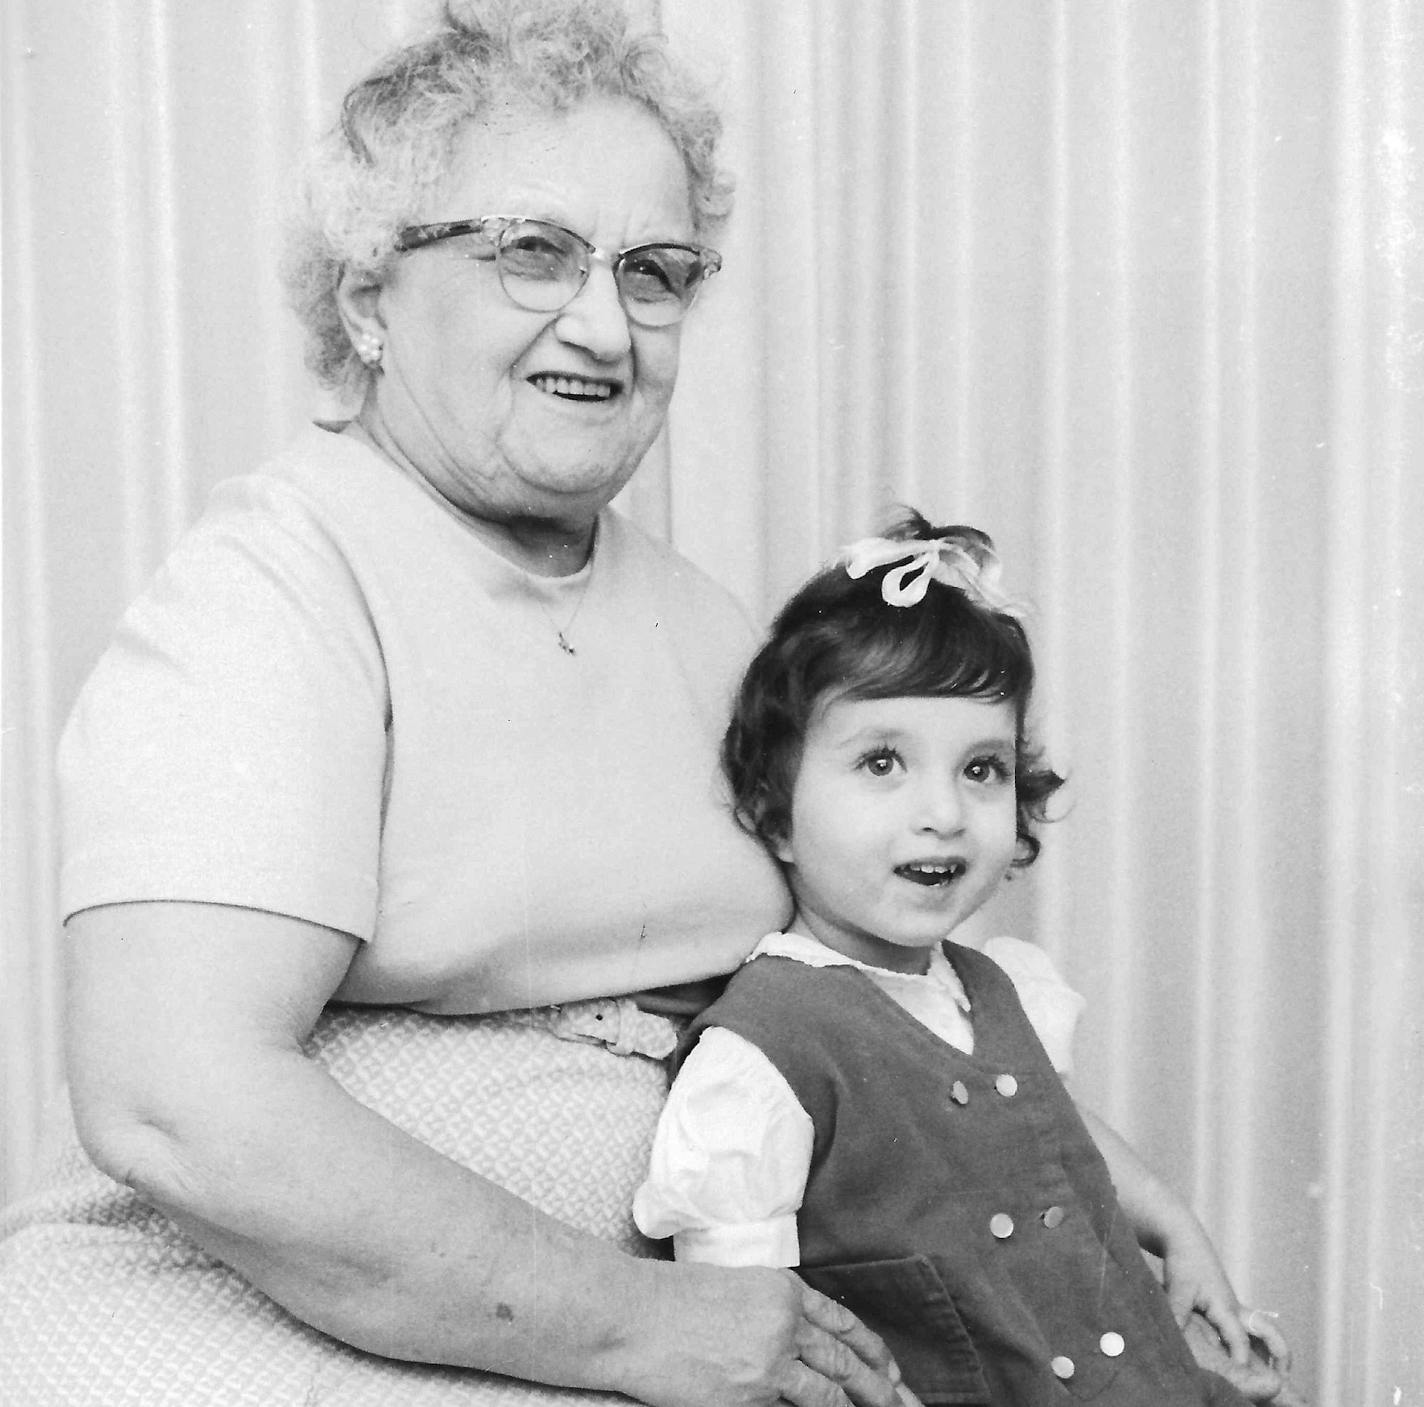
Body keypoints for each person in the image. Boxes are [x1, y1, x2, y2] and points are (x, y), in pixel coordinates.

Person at [0, 4, 914, 1404]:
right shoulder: (274, 585)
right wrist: (640, 1326)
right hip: (255, 1307)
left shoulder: (707, 624)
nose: (604, 325)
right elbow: (173, 1100)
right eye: (532, 252)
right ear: (369, 293)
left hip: (619, 1302)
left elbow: (858, 967)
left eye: (657, 272)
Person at [633, 516, 1302, 1405]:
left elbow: (1054, 1130)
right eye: (882, 762)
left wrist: (1178, 1231)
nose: (944, 811)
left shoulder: (994, 986)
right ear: (773, 810)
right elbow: (747, 1324)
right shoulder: (763, 1058)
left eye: (981, 769)